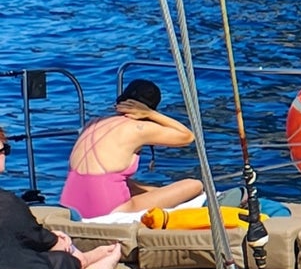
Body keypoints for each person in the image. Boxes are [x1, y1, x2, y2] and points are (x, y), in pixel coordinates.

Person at [0, 125, 122, 269]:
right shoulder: (6, 204)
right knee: (55, 261)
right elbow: (35, 238)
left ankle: (82, 260)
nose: (5, 154)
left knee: (27, 256)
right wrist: (58, 241)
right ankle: (85, 267)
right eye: (4, 149)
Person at [60, 80, 202, 219]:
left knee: (135, 186)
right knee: (194, 185)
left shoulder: (93, 123)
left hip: (70, 204)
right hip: (108, 209)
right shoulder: (138, 128)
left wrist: (155, 191)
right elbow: (187, 137)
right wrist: (151, 114)